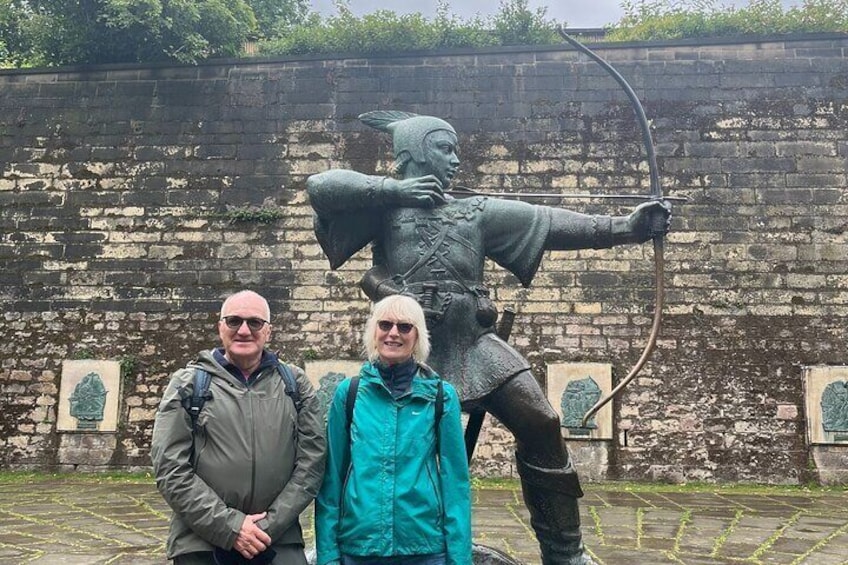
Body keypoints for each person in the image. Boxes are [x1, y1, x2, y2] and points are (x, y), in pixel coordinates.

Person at [306, 111, 672, 565]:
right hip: (409, 354)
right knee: (386, 449)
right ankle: (367, 540)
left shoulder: (476, 211)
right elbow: (319, 187)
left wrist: (626, 227)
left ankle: (565, 552)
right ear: (414, 153)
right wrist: (393, 190)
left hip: (476, 346)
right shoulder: (384, 208)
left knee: (541, 422)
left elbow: (550, 221)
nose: (456, 159)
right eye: (445, 148)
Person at [151, 290, 326, 565]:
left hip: (277, 542)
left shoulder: (295, 385)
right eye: (234, 321)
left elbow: (312, 463)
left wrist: (265, 527)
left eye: (255, 323)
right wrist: (230, 527)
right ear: (220, 326)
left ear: (269, 331)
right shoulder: (187, 384)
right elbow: (170, 468)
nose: (244, 330)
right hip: (201, 543)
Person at [315, 294, 472, 565]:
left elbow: (455, 482)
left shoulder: (440, 397)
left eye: (404, 327)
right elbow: (331, 479)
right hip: (360, 545)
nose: (393, 333)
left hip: (422, 546)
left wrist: (459, 558)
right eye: (385, 325)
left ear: (417, 336)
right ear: (374, 332)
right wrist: (328, 554)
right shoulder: (349, 394)